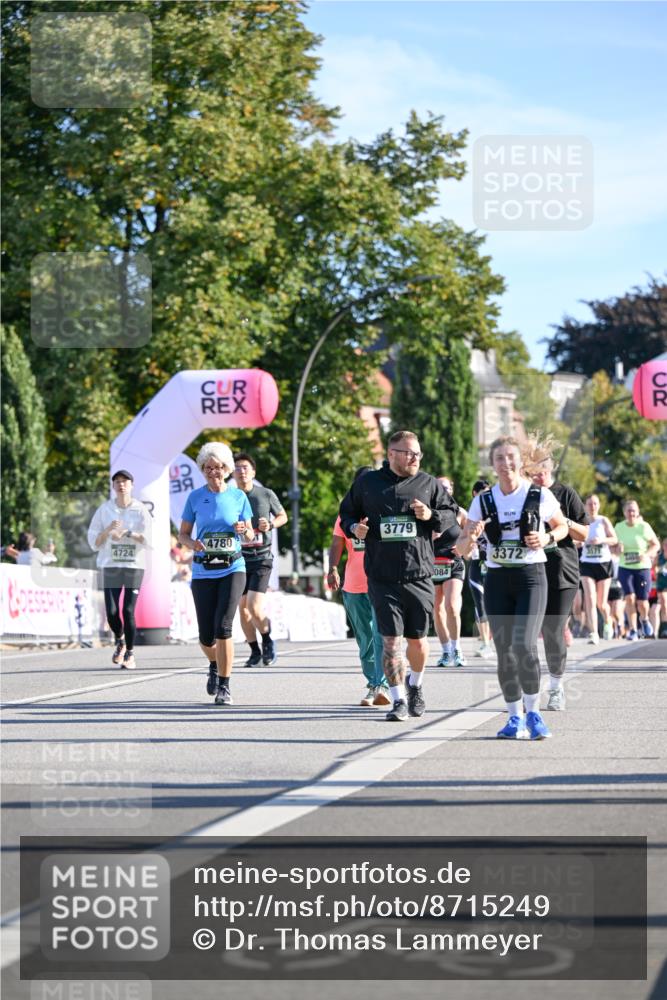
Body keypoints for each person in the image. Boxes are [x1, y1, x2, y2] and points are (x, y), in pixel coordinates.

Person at [339, 430, 458, 722]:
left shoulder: (428, 483)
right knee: (391, 641)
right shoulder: (367, 484)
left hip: (418, 574)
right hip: (381, 576)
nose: (415, 457)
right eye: (409, 453)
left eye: (418, 453)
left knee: (416, 641)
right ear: (392, 454)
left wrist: (430, 516)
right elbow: (347, 515)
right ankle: (398, 700)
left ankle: (414, 685)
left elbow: (452, 515)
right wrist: (355, 528)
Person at [458, 436, 568, 740]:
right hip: (497, 579)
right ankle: (513, 717)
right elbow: (462, 548)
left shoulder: (538, 495)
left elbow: (562, 526)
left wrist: (546, 538)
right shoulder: (483, 501)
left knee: (524, 645)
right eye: (499, 459)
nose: (506, 464)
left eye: (511, 457)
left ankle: (534, 714)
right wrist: (472, 534)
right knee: (505, 651)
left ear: (520, 462)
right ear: (492, 465)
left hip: (531, 577)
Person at [178, 443, 253, 704]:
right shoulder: (195, 498)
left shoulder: (238, 497)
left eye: (218, 467)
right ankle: (214, 664)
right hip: (203, 570)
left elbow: (252, 534)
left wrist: (244, 529)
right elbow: (183, 534)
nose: (213, 472)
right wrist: (192, 544)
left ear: (226, 469)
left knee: (224, 627)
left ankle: (225, 685)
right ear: (203, 470)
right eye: (208, 468)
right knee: (206, 636)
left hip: (233, 568)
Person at [523, 437, 588, 712]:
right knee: (526, 634)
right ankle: (527, 693)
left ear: (549, 470)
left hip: (562, 570)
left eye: (541, 471)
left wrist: (561, 520)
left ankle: (557, 688)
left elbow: (584, 534)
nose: (538, 476)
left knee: (552, 630)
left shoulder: (565, 493)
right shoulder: (524, 495)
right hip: (532, 570)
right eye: (532, 472)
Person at [327, 467, 390, 707]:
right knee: (365, 639)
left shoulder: (384, 511)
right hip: (353, 585)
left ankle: (382, 684)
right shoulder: (346, 516)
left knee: (381, 635)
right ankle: (373, 684)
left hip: (381, 582)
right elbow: (336, 543)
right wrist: (332, 568)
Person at [87, 470, 151, 670]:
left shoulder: (141, 510)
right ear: (113, 486)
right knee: (112, 612)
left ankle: (130, 654)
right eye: (117, 482)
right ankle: (120, 640)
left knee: (128, 609)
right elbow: (94, 542)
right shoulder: (104, 510)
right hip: (111, 565)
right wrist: (108, 531)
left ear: (132, 485)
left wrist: (128, 533)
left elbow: (149, 540)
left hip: (133, 566)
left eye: (125, 481)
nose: (121, 485)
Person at [232, 453, 287, 667]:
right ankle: (254, 651)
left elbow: (283, 516)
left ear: (253, 472)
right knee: (242, 609)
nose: (242, 471)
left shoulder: (265, 494)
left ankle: (267, 640)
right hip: (239, 559)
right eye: (237, 468)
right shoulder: (230, 496)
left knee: (253, 607)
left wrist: (271, 524)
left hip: (261, 557)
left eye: (245, 467)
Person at [432, 476, 467, 668]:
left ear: (451, 489)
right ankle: (445, 651)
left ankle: (457, 649)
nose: (443, 490)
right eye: (439, 487)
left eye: (446, 487)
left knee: (452, 607)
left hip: (453, 562)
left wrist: (464, 546)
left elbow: (474, 532)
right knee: (437, 609)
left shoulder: (459, 512)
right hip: (431, 564)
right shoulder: (427, 512)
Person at [613, 500, 660, 640]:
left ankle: (644, 620)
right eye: (628, 510)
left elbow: (655, 545)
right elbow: (613, 548)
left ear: (638, 512)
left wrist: (646, 554)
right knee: (629, 598)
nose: (631, 513)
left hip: (642, 568)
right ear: (624, 513)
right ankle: (633, 630)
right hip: (625, 567)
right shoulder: (619, 527)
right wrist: (617, 548)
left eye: (633, 510)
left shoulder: (644, 527)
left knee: (642, 602)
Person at [579, 494, 618, 643]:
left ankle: (608, 621)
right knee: (589, 598)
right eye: (589, 504)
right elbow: (575, 540)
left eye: (595, 504)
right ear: (585, 506)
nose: (592, 507)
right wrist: (582, 542)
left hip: (603, 563)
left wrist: (601, 540)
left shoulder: (603, 521)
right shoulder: (582, 522)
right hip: (587, 563)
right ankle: (593, 633)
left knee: (601, 603)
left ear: (599, 505)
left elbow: (614, 539)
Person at [467, 479, 494, 658]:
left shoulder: (495, 513)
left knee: (497, 602)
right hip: (476, 562)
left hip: (494, 563)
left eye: (488, 492)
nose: (486, 496)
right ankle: (485, 642)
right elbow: (464, 542)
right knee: (479, 601)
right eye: (482, 492)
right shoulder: (471, 515)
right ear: (474, 494)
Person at [655, 538, 667, 638]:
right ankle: (664, 629)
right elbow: (653, 567)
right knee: (664, 604)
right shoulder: (659, 557)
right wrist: (656, 570)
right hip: (662, 584)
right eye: (665, 545)